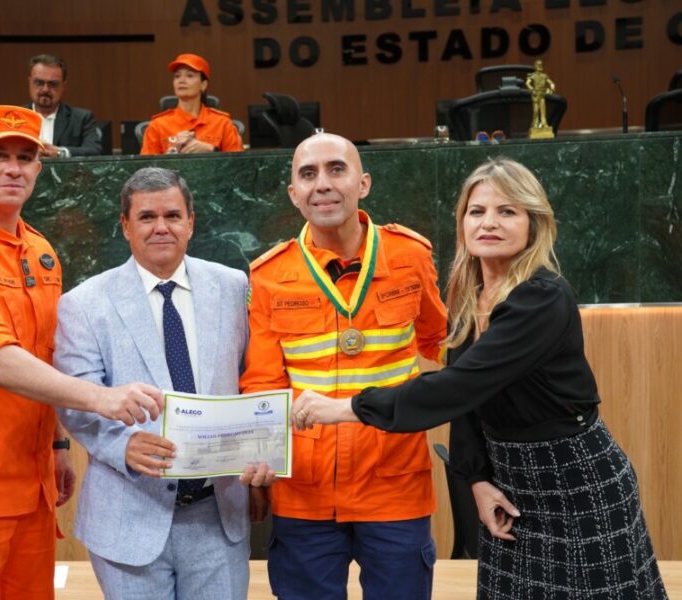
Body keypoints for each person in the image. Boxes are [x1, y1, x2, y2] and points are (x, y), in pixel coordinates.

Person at [292, 158, 668, 600]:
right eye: (477, 211)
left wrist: (348, 408)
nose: (489, 222)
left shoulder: (542, 298)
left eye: (507, 211)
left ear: (534, 224)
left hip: (575, 482)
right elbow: (470, 402)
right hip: (510, 484)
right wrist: (477, 479)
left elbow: (459, 386)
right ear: (463, 223)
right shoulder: (472, 298)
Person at [0, 105, 163, 599]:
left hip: (31, 488)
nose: (13, 167)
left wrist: (58, 445)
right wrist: (100, 398)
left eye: (26, 156)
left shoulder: (40, 253)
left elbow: (45, 354)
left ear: (39, 169)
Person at [240, 132, 448, 600]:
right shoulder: (269, 275)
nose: (323, 184)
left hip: (394, 484)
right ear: (294, 194)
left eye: (337, 169)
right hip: (306, 492)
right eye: (308, 174)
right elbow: (262, 384)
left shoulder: (411, 256)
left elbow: (438, 342)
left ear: (364, 183)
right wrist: (260, 466)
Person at [54, 167, 272, 600]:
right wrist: (122, 446)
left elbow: (256, 379)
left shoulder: (233, 286)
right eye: (147, 217)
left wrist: (264, 450)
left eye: (172, 215)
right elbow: (75, 402)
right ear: (125, 226)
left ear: (191, 222)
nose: (161, 227)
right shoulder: (83, 304)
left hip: (217, 516)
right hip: (128, 515)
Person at [140, 53, 243, 155]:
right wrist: (171, 154)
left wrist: (212, 150)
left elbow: (239, 166)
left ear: (203, 85)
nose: (181, 80)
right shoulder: (157, 126)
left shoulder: (222, 123)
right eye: (177, 76)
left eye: (190, 75)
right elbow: (145, 170)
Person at [26, 54, 102, 157]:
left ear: (63, 86)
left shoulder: (81, 119)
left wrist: (60, 152)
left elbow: (94, 151)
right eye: (39, 83)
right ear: (30, 82)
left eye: (53, 84)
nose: (45, 89)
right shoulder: (15, 117)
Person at [526, 59, 555, 130]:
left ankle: (544, 124)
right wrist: (532, 90)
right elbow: (527, 83)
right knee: (536, 111)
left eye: (541, 65)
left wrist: (552, 88)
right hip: (536, 95)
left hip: (542, 95)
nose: (540, 66)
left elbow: (551, 83)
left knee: (543, 111)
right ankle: (535, 124)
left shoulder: (544, 76)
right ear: (535, 66)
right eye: (538, 65)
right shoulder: (533, 75)